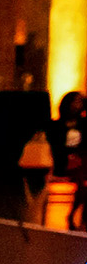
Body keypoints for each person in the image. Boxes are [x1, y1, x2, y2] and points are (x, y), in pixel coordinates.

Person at [45, 91, 85, 230]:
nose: (77, 105)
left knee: (82, 174)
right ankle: (75, 215)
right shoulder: (56, 125)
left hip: (81, 161)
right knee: (82, 177)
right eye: (75, 101)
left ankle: (78, 216)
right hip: (64, 163)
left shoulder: (83, 123)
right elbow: (57, 147)